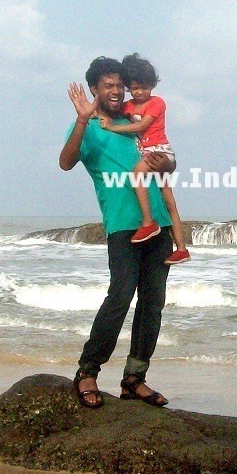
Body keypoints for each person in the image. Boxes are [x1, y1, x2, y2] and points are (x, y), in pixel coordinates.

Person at [59, 56, 174, 409]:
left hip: (159, 223)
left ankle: (134, 379)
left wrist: (167, 162)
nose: (116, 91)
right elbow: (66, 161)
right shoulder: (90, 125)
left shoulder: (133, 120)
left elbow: (167, 161)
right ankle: (87, 371)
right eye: (108, 85)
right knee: (121, 296)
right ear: (94, 89)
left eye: (119, 85)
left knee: (152, 303)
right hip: (123, 225)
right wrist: (81, 119)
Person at [99, 54, 190, 265]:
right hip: (148, 151)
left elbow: (140, 127)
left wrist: (112, 127)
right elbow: (110, 109)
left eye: (145, 87)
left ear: (153, 85)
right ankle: (182, 249)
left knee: (136, 174)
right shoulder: (128, 106)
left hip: (159, 151)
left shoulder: (157, 103)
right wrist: (91, 113)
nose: (140, 92)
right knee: (169, 202)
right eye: (135, 88)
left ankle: (148, 222)